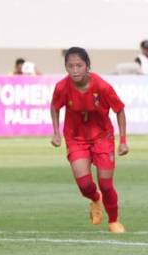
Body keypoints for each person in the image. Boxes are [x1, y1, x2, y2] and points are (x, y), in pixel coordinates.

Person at [50, 47, 129, 233]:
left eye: (79, 65)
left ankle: (113, 222)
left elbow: (119, 110)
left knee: (106, 184)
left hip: (102, 138)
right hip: (76, 139)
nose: (75, 70)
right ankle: (95, 199)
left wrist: (123, 140)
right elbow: (54, 107)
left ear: (87, 66)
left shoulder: (102, 86)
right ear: (65, 67)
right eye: (70, 66)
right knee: (85, 185)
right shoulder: (62, 87)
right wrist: (56, 133)